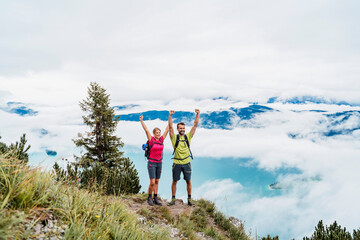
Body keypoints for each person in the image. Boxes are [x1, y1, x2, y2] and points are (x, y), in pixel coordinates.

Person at [167, 109, 200, 206]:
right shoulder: (174, 138)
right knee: (174, 181)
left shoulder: (188, 137)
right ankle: (173, 199)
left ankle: (189, 199)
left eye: (183, 128)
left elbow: (195, 125)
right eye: (180, 128)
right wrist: (170, 116)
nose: (182, 130)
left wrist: (198, 114)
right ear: (177, 129)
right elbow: (170, 127)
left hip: (186, 163)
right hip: (177, 163)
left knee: (188, 181)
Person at [140, 115, 169, 206]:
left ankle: (155, 197)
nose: (159, 134)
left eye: (159, 132)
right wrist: (141, 121)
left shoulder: (161, 140)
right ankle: (149, 197)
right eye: (157, 132)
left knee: (157, 181)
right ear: (154, 133)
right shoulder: (151, 140)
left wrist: (170, 117)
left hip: (159, 163)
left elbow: (167, 130)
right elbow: (146, 130)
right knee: (152, 182)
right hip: (151, 163)